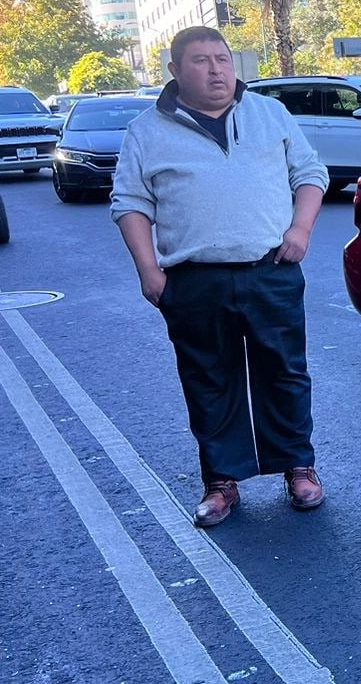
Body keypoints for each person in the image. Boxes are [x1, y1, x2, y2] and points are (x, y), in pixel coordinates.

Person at [111, 27, 331, 526]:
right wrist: (150, 272)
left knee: (285, 372)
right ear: (175, 71)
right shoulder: (146, 130)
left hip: (270, 270)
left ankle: (299, 467)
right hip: (193, 279)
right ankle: (221, 482)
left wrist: (300, 229)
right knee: (208, 380)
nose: (215, 70)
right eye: (200, 61)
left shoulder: (269, 114)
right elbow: (130, 203)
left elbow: (310, 174)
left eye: (222, 59)